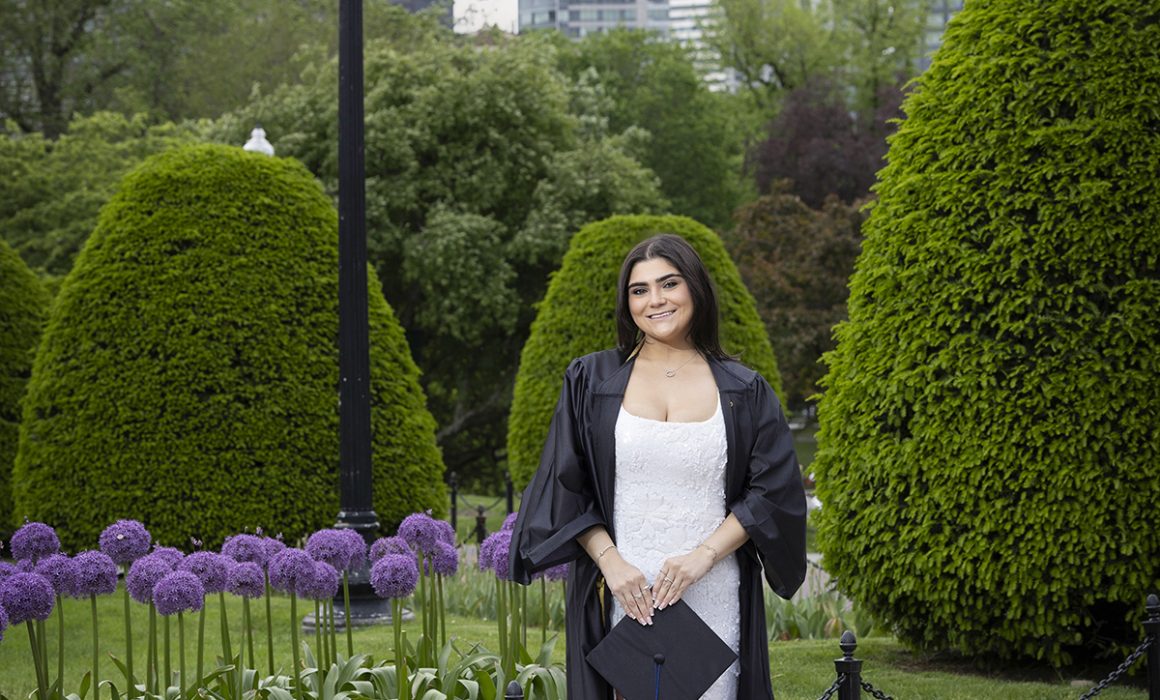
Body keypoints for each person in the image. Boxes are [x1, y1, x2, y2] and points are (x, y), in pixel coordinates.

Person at [509, 233, 807, 699]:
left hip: (712, 588)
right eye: (639, 290)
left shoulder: (743, 390)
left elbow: (772, 493)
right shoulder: (591, 381)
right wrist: (612, 564)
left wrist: (703, 557)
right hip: (625, 590)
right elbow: (568, 486)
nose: (655, 300)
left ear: (696, 288)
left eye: (669, 284)